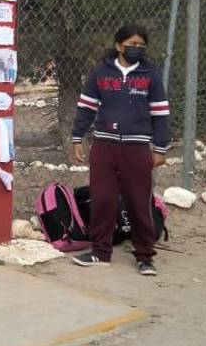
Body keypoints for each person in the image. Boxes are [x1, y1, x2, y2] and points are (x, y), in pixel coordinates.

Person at [71, 24, 170, 276]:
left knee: (139, 201)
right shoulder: (101, 73)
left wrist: (159, 148)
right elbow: (86, 107)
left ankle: (145, 256)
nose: (135, 49)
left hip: (137, 149)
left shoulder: (151, 75)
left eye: (140, 45)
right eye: (131, 44)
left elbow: (160, 114)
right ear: (118, 46)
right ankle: (100, 252)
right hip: (104, 146)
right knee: (102, 200)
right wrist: (77, 137)